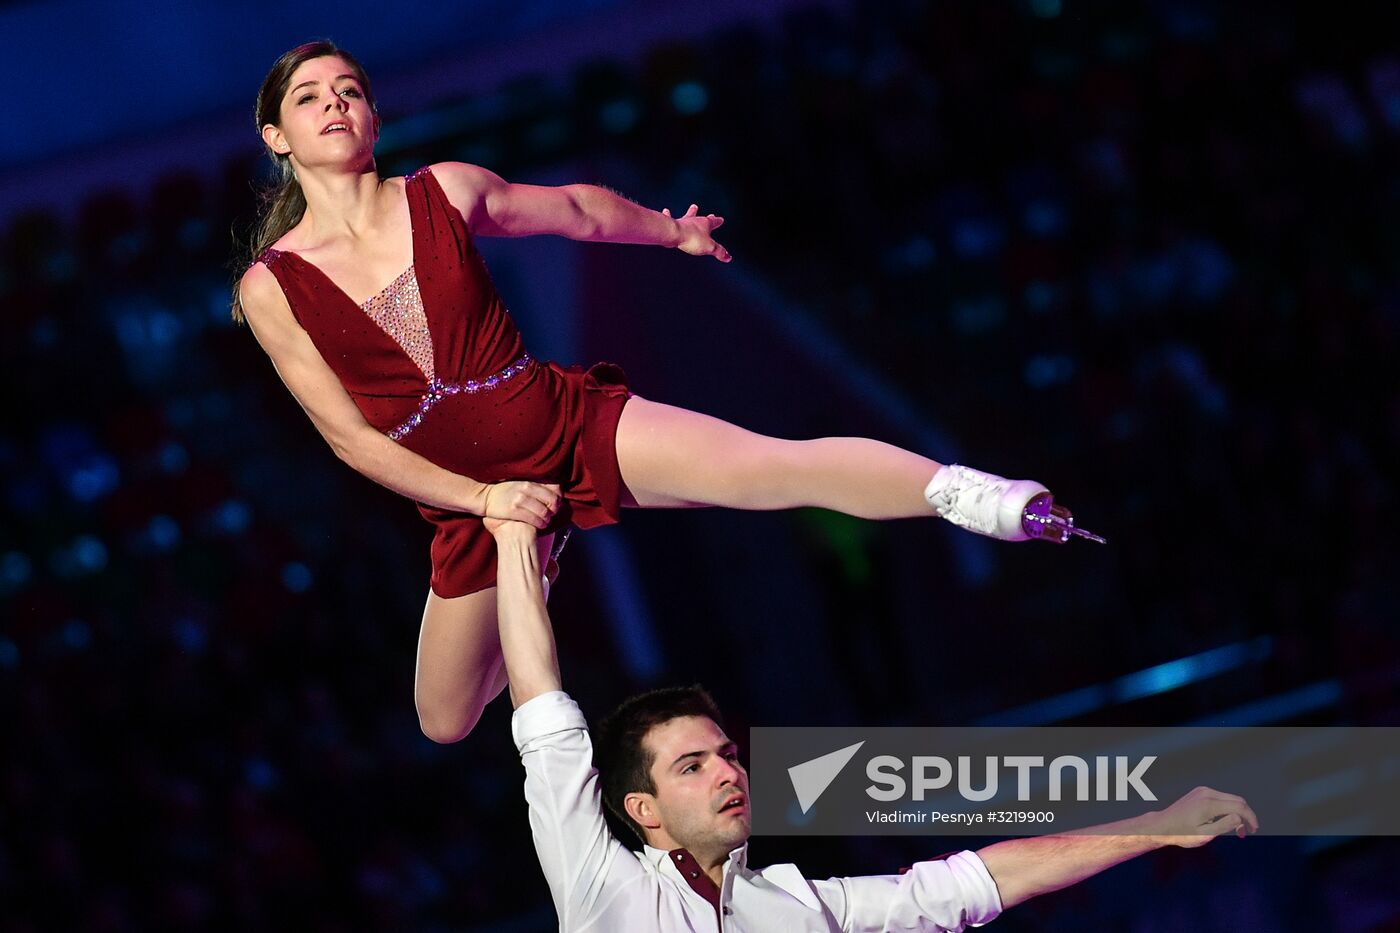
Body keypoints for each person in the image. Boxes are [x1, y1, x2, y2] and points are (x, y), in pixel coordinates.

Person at [234, 41, 1100, 746]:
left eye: (351, 89)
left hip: (562, 424)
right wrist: (490, 503)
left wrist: (670, 232)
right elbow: (351, 440)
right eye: (311, 97)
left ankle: (974, 495)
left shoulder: (443, 191)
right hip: (472, 503)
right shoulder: (272, 287)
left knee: (770, 469)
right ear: (276, 135)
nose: (337, 103)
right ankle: (545, 547)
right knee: (445, 718)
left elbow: (573, 207)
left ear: (377, 117)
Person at [488, 517, 1258, 931]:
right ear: (644, 814)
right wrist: (514, 536)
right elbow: (545, 721)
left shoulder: (797, 907)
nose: (728, 770)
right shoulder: (602, 892)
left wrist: (1156, 824)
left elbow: (976, 883)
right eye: (691, 766)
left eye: (725, 753)